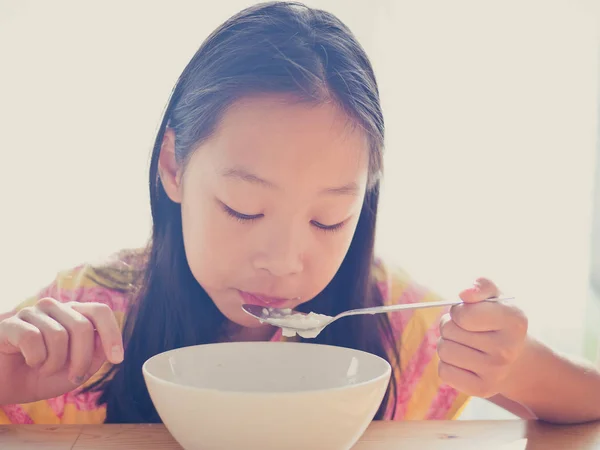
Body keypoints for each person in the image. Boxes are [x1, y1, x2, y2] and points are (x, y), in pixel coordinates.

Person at [1, 1, 599, 425]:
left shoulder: (395, 326)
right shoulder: (91, 316)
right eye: (243, 209)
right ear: (174, 166)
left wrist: (512, 365)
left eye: (328, 220)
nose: (284, 264)